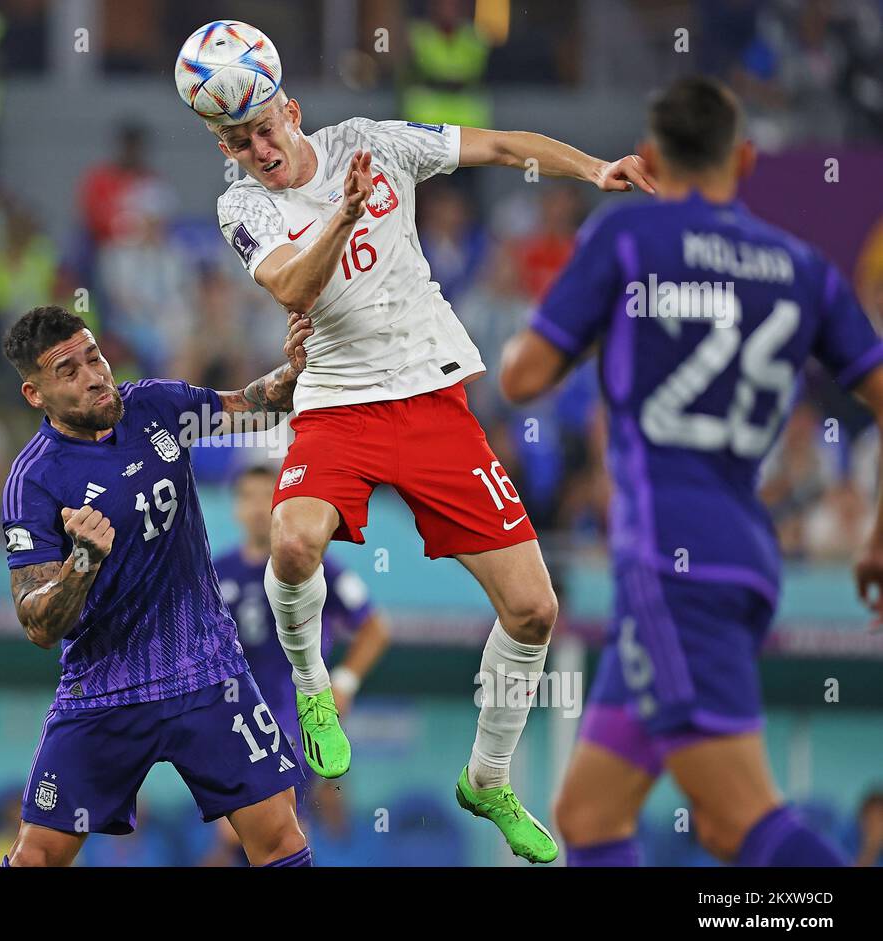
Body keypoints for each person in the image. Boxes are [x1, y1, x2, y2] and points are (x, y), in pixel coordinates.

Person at [199, 24, 653, 862]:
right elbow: (294, 284)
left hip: (432, 398)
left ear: (291, 110)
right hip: (336, 402)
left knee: (535, 607)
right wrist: (340, 213)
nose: (257, 149)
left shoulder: (371, 142)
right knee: (293, 545)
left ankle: (487, 779)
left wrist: (594, 169)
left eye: (264, 127)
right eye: (236, 140)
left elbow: (499, 142)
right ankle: (312, 689)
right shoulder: (242, 205)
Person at [500, 75, 883, 866]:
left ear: (647, 159)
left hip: (671, 560)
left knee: (740, 818)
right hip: (741, 553)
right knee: (590, 815)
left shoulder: (627, 239)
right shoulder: (802, 266)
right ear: (743, 160)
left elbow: (521, 379)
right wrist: (878, 531)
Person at [0, 304, 317, 867]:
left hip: (206, 669)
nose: (94, 374)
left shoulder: (154, 406)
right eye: (68, 371)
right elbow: (36, 624)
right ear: (35, 395)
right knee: (35, 858)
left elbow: (254, 406)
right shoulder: (34, 482)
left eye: (93, 357)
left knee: (281, 839)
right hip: (104, 690)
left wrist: (293, 372)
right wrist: (81, 563)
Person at [206, 464, 390, 864]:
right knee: (239, 837)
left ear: (281, 505)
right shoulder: (216, 574)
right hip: (237, 722)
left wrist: (344, 681)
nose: (258, 507)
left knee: (281, 832)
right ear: (236, 508)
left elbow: (375, 627)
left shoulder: (313, 565)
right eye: (248, 497)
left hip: (297, 716)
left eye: (266, 497)